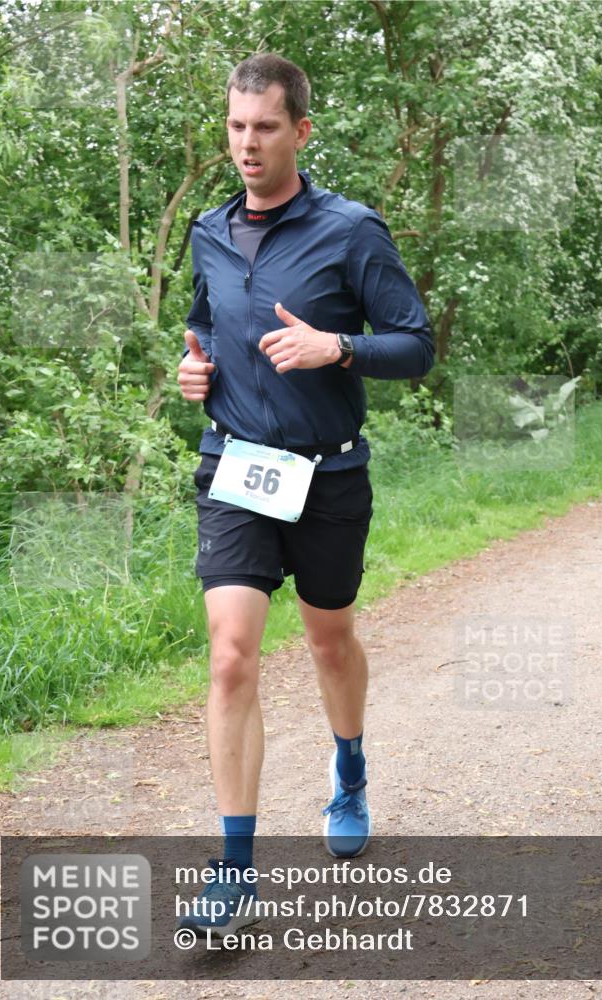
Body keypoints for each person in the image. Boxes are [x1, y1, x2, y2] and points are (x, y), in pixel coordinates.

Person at [176, 53, 434, 937]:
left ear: (301, 132)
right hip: (237, 469)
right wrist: (193, 365)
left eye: (266, 128)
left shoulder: (352, 230)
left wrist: (339, 348)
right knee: (230, 654)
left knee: (329, 641)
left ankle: (349, 770)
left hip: (328, 474)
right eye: (237, 127)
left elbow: (415, 344)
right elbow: (207, 320)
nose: (247, 145)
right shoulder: (208, 231)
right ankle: (235, 868)